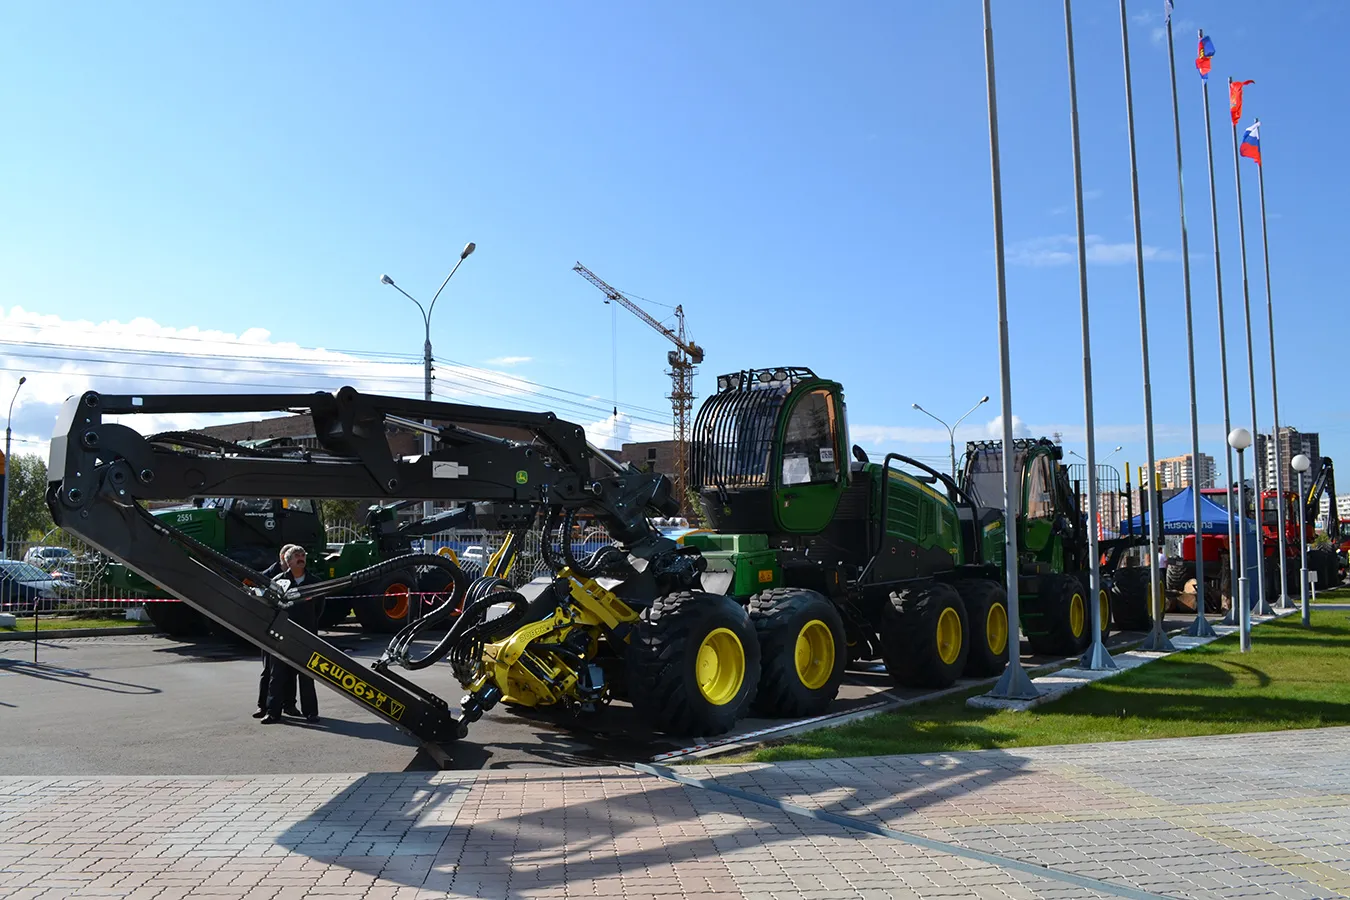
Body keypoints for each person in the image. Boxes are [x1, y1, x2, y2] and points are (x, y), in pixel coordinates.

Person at [261, 544, 322, 725]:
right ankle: (273, 713)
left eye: (303, 554)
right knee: (277, 675)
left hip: (306, 635)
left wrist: (310, 623)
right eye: (296, 555)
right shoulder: (279, 582)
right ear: (288, 561)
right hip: (282, 634)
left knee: (306, 675)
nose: (301, 557)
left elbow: (319, 607)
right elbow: (271, 606)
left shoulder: (314, 581)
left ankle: (311, 713)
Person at [253, 548, 299, 720]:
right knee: (269, 671)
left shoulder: (297, 577)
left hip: (290, 629)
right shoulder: (268, 576)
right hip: (271, 630)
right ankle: (263, 706)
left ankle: (289, 705)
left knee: (291, 669)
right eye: (290, 557)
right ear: (283, 558)